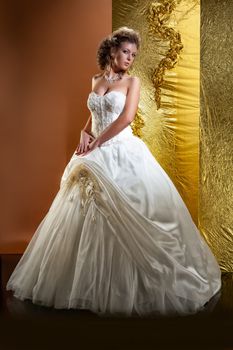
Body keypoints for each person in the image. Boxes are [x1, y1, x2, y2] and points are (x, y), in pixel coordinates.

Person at [6, 26, 221, 318]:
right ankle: (83, 283)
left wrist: (97, 142)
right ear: (112, 50)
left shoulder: (132, 82)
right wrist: (84, 132)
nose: (130, 58)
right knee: (81, 210)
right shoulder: (96, 79)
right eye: (125, 52)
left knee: (128, 211)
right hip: (93, 149)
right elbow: (94, 113)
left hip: (120, 150)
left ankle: (129, 287)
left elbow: (126, 118)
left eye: (134, 54)